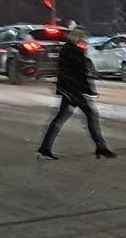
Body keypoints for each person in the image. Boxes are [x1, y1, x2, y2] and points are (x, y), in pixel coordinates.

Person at [37, 29, 116, 161]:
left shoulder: (70, 50)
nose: (84, 40)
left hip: (70, 90)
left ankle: (45, 149)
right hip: (73, 91)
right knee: (91, 116)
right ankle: (101, 147)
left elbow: (74, 73)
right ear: (78, 37)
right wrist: (84, 91)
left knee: (60, 120)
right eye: (83, 37)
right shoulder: (72, 51)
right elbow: (78, 74)